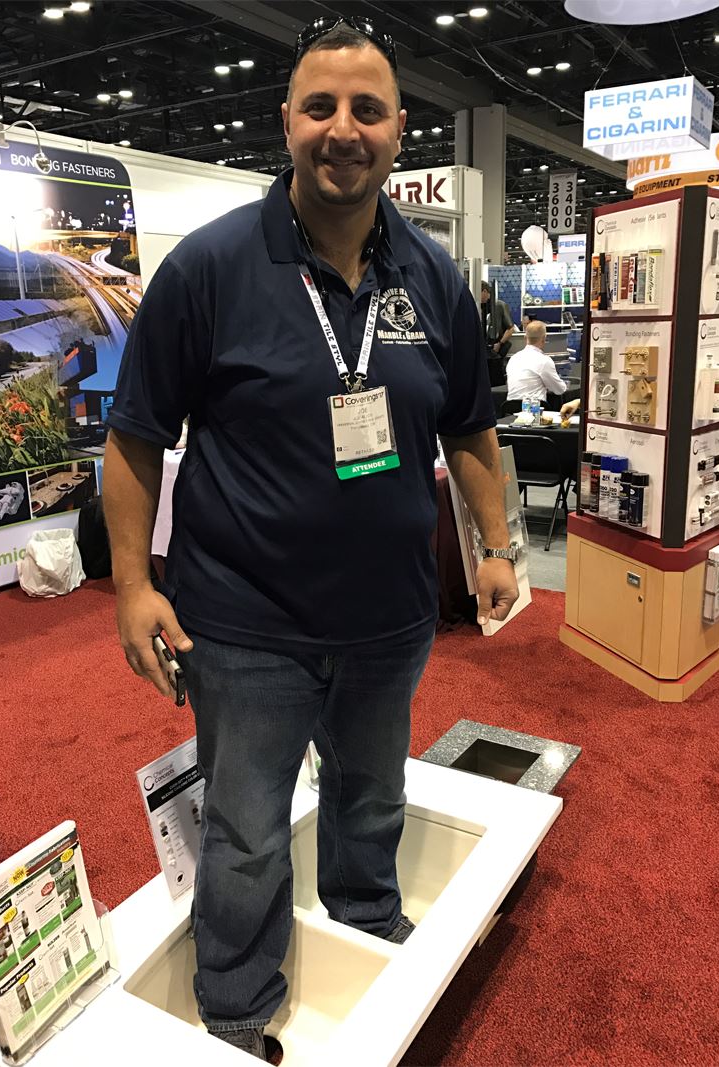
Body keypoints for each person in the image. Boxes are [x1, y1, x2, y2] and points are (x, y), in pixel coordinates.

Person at [103, 16, 518, 1061]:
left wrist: (499, 543)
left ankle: (366, 923)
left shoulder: (428, 277)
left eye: (366, 110)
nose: (344, 129)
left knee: (372, 794)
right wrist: (128, 588)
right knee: (243, 830)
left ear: (397, 128)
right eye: (321, 107)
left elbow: (469, 425)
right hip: (242, 626)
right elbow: (134, 437)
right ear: (284, 121)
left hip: (388, 618)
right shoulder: (208, 269)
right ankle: (238, 1003)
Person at [506, 320, 566, 404]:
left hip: (510, 410)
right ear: (544, 339)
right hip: (534, 410)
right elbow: (559, 390)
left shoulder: (513, 359)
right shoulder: (544, 361)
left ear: (525, 337)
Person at [480, 280, 514, 386]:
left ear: (485, 291)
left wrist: (499, 344)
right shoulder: (480, 307)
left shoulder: (498, 305)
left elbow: (510, 328)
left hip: (495, 350)